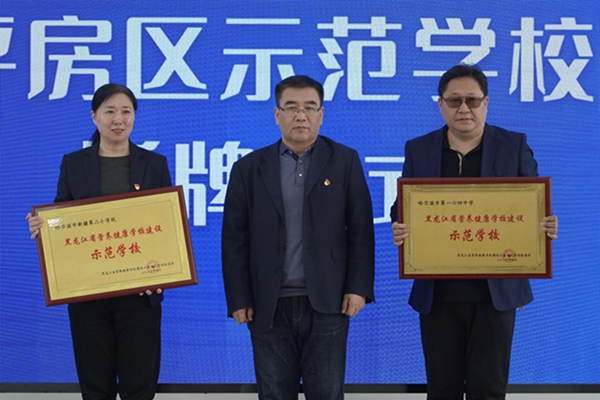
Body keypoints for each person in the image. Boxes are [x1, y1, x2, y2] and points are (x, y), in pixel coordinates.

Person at [391, 64, 558, 400]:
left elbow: (533, 205)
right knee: (442, 390)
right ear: (441, 105)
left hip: (495, 294)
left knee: (488, 389)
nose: (464, 108)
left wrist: (544, 225)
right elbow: (403, 206)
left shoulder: (513, 145)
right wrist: (400, 225)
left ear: (486, 103)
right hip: (437, 294)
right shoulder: (419, 148)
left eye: (472, 100)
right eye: (454, 101)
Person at [221, 75, 375, 399]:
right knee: (274, 394)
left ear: (321, 114)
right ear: (277, 114)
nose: (300, 115)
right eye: (291, 107)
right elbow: (234, 239)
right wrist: (238, 298)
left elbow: (361, 230)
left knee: (327, 394)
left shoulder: (345, 160)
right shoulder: (248, 168)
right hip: (267, 303)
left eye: (309, 107)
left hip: (329, 300)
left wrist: (358, 288)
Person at [26, 83, 171, 400]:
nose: (118, 119)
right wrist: (44, 227)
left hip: (139, 295)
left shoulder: (154, 164)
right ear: (94, 116)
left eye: (126, 111)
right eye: (109, 111)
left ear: (134, 116)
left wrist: (161, 275)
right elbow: (62, 219)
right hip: (88, 295)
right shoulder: (74, 163)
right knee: (96, 388)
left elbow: (164, 225)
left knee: (139, 387)